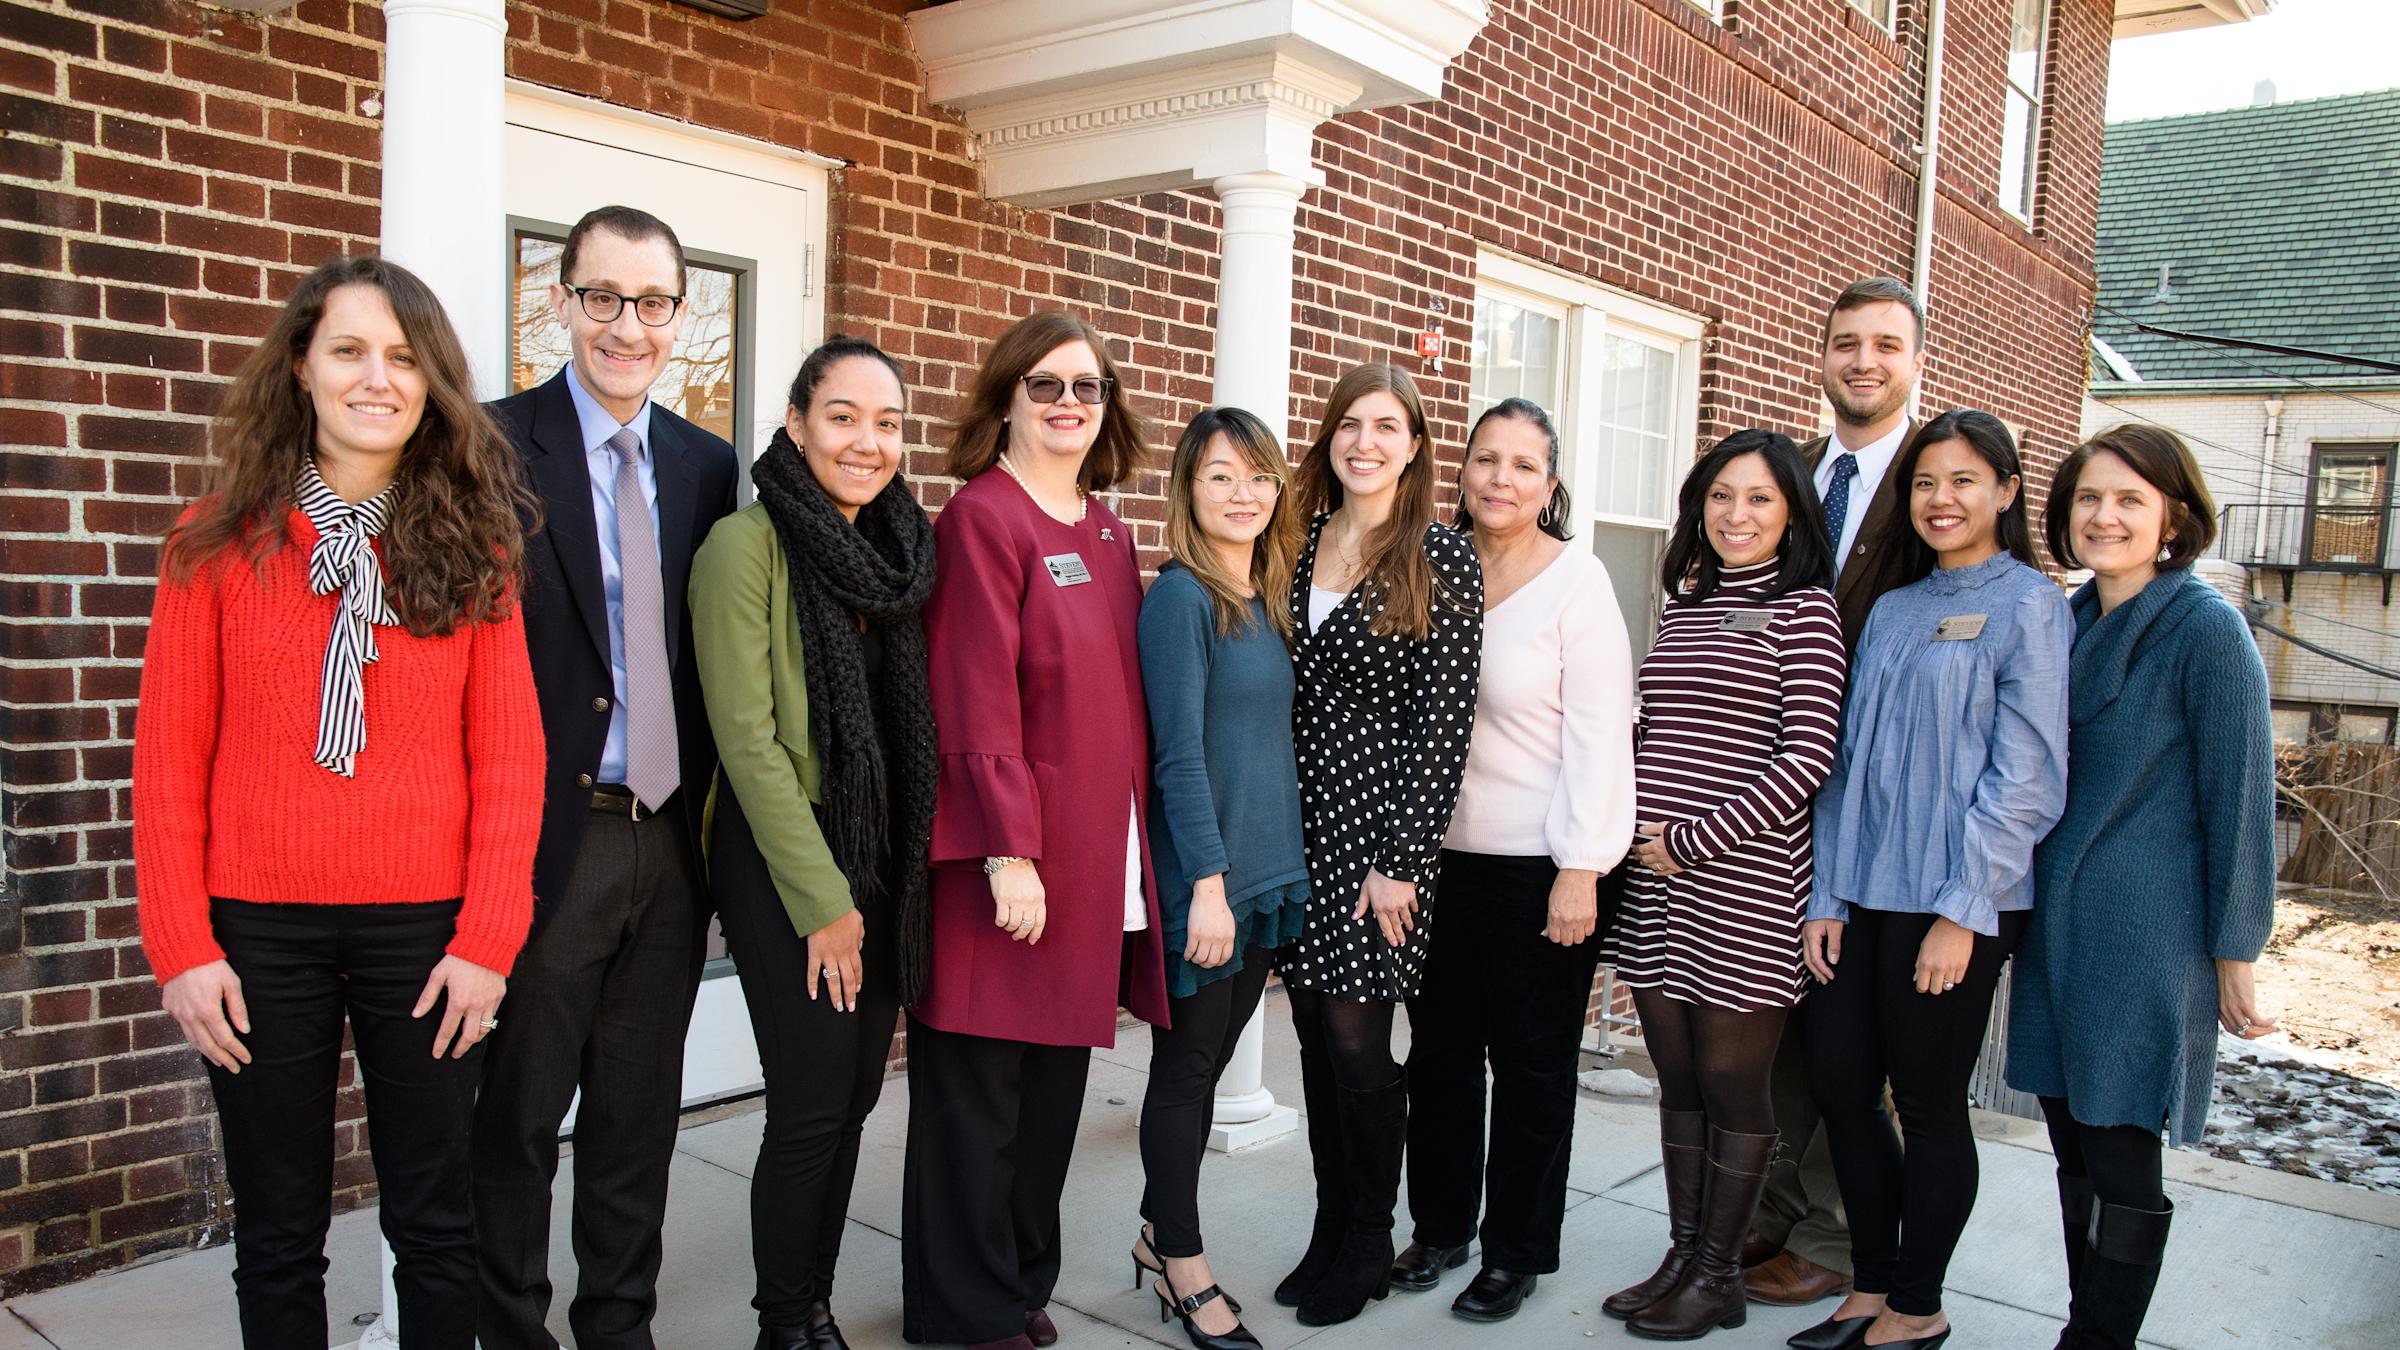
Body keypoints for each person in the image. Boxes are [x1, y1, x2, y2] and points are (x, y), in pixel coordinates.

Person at [134, 255, 544, 1350]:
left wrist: (489, 941)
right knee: (276, 1233)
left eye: (405, 358)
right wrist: (182, 945)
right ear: (302, 370)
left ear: (433, 384)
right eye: (350, 351)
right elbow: (168, 760)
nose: (379, 378)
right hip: (254, 935)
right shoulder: (214, 542)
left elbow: (512, 760)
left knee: (438, 1225)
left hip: (429, 937)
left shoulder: (477, 545)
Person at [474, 205, 740, 1350]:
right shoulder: (488, 445)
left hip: (668, 840)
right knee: (520, 1118)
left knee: (637, 1117)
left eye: (652, 303)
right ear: (558, 298)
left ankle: (616, 1329)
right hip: (547, 841)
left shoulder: (703, 463)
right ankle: (510, 1334)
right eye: (602, 298)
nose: (626, 327)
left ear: (681, 315)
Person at [901, 310, 1171, 1350]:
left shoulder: (1106, 530)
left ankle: (1017, 1284)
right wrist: (1008, 852)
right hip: (1006, 867)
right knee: (976, 1107)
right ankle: (963, 1314)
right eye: (1047, 385)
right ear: (1007, 396)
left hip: (1095, 866)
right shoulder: (982, 518)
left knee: (1050, 1100)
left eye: (1087, 389)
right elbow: (972, 696)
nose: (1068, 404)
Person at [1798, 410, 2074, 1350]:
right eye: (1924, 483)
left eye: (1963, 480)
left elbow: (2028, 774)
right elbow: (1842, 763)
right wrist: (1826, 896)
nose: (1941, 499)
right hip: (1861, 894)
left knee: (1925, 1101)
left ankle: (1919, 1304)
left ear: (2005, 489)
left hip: (1955, 901)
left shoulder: (2031, 604)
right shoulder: (1894, 607)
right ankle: (1870, 1282)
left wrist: (1966, 910)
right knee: (1839, 1082)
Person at [689, 338, 937, 1350]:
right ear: (796, 425)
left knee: (853, 1097)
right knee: (806, 1103)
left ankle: (814, 1298)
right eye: (842, 416)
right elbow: (748, 744)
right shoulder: (744, 548)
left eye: (885, 423)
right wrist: (825, 906)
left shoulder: (895, 551)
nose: (866, 442)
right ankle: (785, 1323)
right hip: (784, 862)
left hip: (876, 855)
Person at [2006, 425, 2278, 1350]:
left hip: (2145, 933)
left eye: (2129, 499)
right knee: (2071, 1145)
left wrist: (2236, 952)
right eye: (2089, 498)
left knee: (2122, 1152)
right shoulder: (2068, 622)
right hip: (2057, 928)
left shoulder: (2207, 631)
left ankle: (2100, 1341)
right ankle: (2087, 1324)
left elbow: (2240, 801)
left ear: (2174, 517)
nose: (2105, 515)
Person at [1603, 430, 1848, 1340]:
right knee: (1676, 1079)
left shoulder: (1806, 610)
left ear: (1791, 515)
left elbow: (1807, 759)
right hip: (1655, 883)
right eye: (1720, 497)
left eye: (1758, 499)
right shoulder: (1689, 603)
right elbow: (1656, 732)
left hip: (1742, 885)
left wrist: (1694, 840)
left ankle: (1718, 1275)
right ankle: (1681, 1252)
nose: (1735, 516)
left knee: (1731, 1084)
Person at [1395, 399, 1635, 1323]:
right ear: (1459, 470)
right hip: (1433, 861)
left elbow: (1601, 737)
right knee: (1441, 1059)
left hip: (1541, 867)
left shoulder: (1579, 584)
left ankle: (1517, 1249)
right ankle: (1443, 1226)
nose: (1500, 479)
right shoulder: (1428, 568)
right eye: (1485, 460)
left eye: (1523, 465)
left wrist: (1582, 868)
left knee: (1533, 1068)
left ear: (1551, 483)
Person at [1276, 362, 1483, 1329]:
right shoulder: (1297, 538)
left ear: (1413, 447)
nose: (1366, 441)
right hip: (1297, 825)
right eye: (1351, 424)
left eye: (1387, 427)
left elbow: (1445, 724)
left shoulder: (1441, 557)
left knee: (1361, 1046)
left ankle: (1367, 1238)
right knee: (1316, 1042)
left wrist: (1404, 860)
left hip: (1378, 844)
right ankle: (1329, 1227)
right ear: (1329, 438)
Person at [1750, 277, 1933, 1311]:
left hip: (1876, 804)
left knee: (1851, 1039)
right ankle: (1774, 1211)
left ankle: (1831, 1228)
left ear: (1914, 360)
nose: (1863, 362)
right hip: (1776, 791)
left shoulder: (1930, 476)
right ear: (1821, 356)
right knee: (1781, 1017)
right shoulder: (1793, 473)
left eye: (1885, 346)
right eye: (1845, 344)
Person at [1130, 406, 1312, 1350]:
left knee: (1206, 1067)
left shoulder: (1268, 594)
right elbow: (1178, 756)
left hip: (1266, 874)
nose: (1241, 494)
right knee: (1188, 1071)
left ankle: (1159, 1232)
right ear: (1188, 491)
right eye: (1219, 477)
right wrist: (1203, 880)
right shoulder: (1181, 599)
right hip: (1212, 880)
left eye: (1256, 476)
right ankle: (1182, 1262)